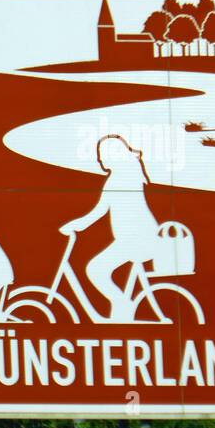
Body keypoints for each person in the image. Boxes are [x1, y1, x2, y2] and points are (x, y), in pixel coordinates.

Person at [60, 135, 160, 322]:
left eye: (102, 154)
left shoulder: (120, 178)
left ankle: (122, 304)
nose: (100, 159)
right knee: (98, 268)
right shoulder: (128, 173)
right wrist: (78, 225)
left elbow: (100, 210)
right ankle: (122, 306)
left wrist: (76, 225)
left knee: (95, 269)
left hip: (135, 240)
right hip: (137, 238)